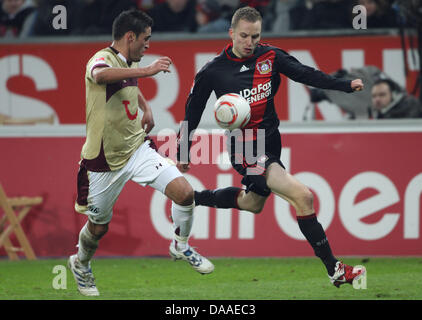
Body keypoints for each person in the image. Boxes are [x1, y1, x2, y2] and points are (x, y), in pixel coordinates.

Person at [176, 6, 366, 288]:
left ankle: (192, 198)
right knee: (303, 196)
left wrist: (345, 85)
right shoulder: (213, 71)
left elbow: (306, 74)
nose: (250, 42)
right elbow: (192, 112)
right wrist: (183, 151)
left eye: (255, 36)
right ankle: (335, 269)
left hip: (271, 141)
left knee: (252, 204)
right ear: (231, 34)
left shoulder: (270, 56)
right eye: (244, 36)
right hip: (245, 147)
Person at [68, 9, 213, 297]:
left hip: (137, 149)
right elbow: (101, 76)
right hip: (102, 163)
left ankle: (180, 245)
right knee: (98, 229)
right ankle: (80, 263)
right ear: (129, 37)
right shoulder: (101, 59)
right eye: (145, 39)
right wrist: (147, 71)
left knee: (185, 193)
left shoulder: (126, 62)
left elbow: (126, 82)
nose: (148, 45)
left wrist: (146, 107)